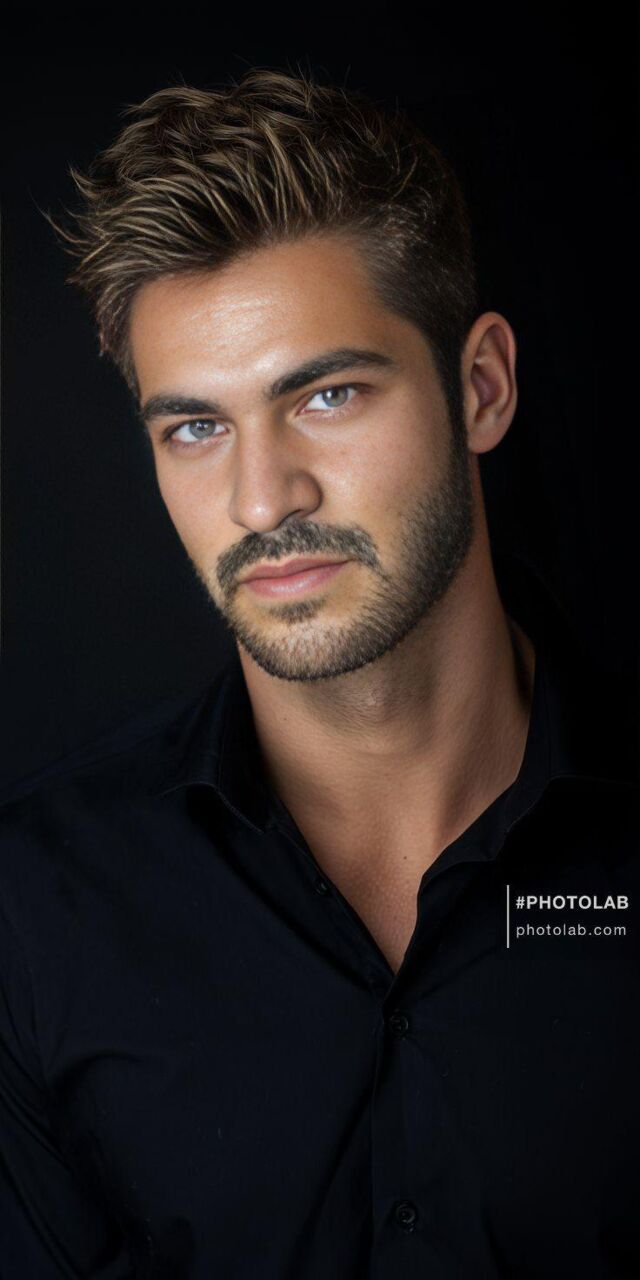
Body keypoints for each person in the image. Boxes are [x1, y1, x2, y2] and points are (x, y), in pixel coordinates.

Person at [1, 67, 638, 1279]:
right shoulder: (31, 914)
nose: (262, 498)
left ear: (480, 387)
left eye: (328, 394)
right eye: (196, 427)